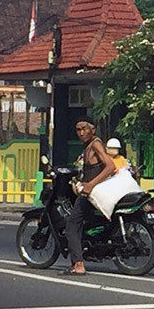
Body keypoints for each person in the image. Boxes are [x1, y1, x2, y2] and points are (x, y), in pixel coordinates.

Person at [63, 117, 115, 276]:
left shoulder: (96, 145)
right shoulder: (87, 147)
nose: (81, 132)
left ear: (92, 130)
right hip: (91, 190)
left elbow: (110, 166)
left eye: (84, 128)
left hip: (92, 193)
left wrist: (91, 185)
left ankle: (78, 265)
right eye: (78, 130)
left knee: (72, 225)